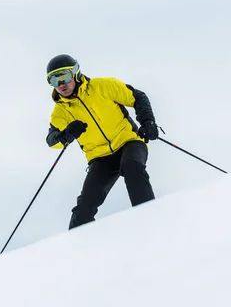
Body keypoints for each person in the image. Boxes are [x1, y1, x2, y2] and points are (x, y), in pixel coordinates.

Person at [45, 53, 159, 229]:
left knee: (132, 166)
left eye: (64, 77)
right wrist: (67, 133)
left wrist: (147, 122)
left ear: (75, 73)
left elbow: (137, 97)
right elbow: (52, 141)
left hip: (128, 141)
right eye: (54, 81)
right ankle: (76, 247)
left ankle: (150, 218)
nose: (61, 85)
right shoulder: (60, 112)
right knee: (84, 207)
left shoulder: (103, 86)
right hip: (100, 158)